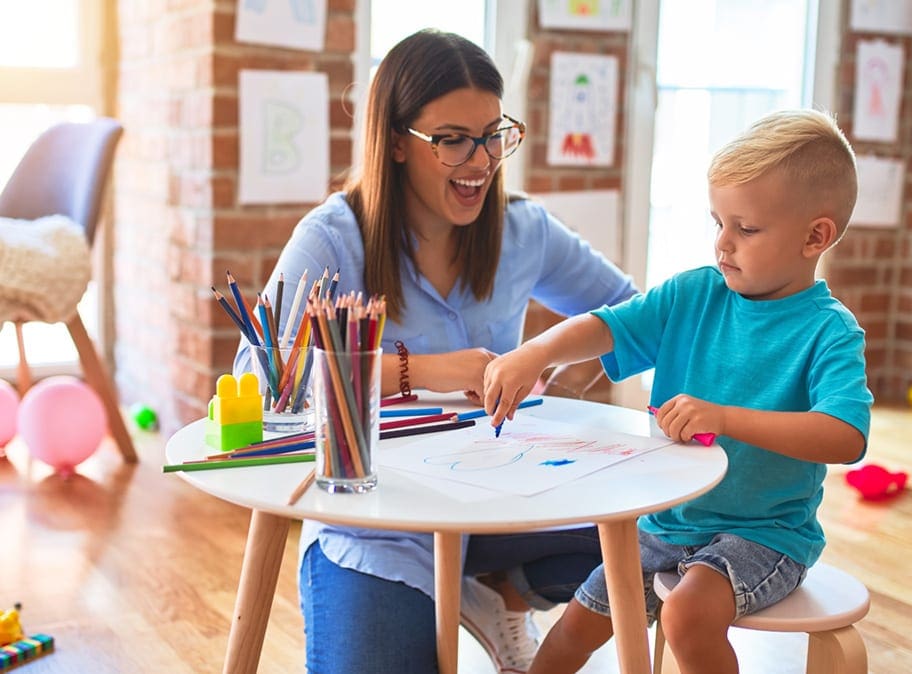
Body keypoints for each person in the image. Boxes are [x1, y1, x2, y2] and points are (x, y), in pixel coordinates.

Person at [235, 29, 637, 674]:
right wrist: (413, 371)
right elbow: (257, 375)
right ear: (396, 141)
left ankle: (505, 590)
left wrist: (544, 353)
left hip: (505, 502)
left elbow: (631, 313)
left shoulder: (524, 229)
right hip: (378, 526)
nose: (479, 161)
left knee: (662, 536)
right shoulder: (334, 237)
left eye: (492, 134)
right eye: (452, 139)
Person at [482, 109, 874, 674]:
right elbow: (606, 325)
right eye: (718, 221)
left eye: (747, 229)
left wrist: (726, 417)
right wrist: (535, 351)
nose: (723, 243)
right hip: (665, 526)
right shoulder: (693, 294)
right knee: (572, 628)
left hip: (766, 536)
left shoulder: (829, 330)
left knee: (686, 614)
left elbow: (844, 437)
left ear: (817, 236)